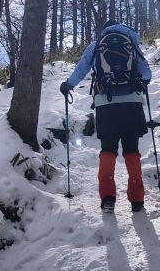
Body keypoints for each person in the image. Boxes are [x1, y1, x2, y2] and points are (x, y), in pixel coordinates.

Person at [60, 19, 152, 213]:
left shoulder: (96, 46)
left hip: (106, 105)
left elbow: (81, 70)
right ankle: (137, 200)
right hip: (132, 106)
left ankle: (108, 198)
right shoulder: (131, 43)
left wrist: (67, 85)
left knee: (108, 149)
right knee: (131, 149)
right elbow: (146, 73)